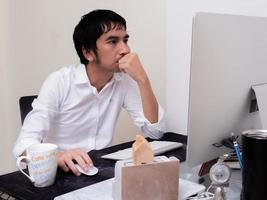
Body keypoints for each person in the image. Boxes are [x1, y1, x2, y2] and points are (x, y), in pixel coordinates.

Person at [13, 9, 165, 176]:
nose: (125, 50)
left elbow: (155, 132)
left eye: (125, 40)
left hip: (100, 172)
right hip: (61, 175)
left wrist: (142, 79)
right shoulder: (59, 81)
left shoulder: (124, 80)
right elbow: (22, 147)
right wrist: (58, 155)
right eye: (113, 41)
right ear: (87, 53)